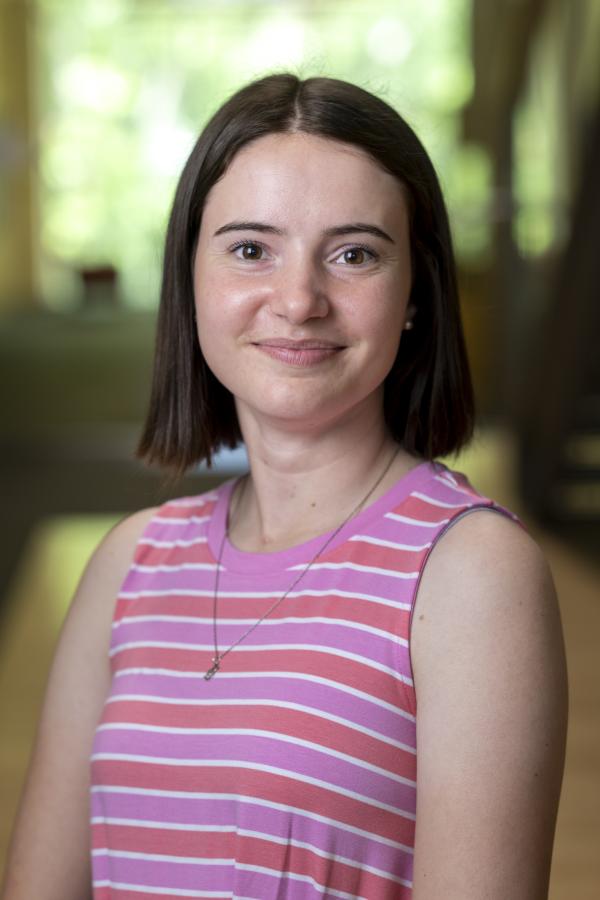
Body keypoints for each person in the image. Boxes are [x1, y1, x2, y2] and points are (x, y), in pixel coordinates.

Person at [2, 73, 568, 900]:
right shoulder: (129, 564)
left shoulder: (475, 574)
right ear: (191, 275)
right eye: (250, 249)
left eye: (354, 254)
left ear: (415, 293)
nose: (299, 299)